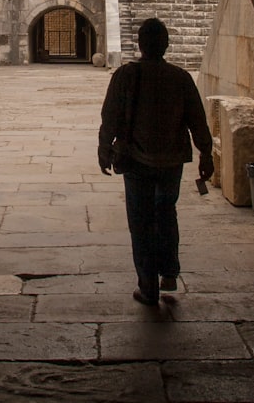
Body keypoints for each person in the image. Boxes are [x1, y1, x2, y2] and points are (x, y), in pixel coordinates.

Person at [98, 18, 214, 305]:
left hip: (136, 160)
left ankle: (148, 284)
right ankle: (170, 273)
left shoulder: (126, 75)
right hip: (172, 160)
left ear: (140, 44)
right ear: (166, 45)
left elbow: (110, 115)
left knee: (141, 221)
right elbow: (198, 120)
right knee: (166, 212)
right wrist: (206, 153)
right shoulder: (180, 77)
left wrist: (103, 148)